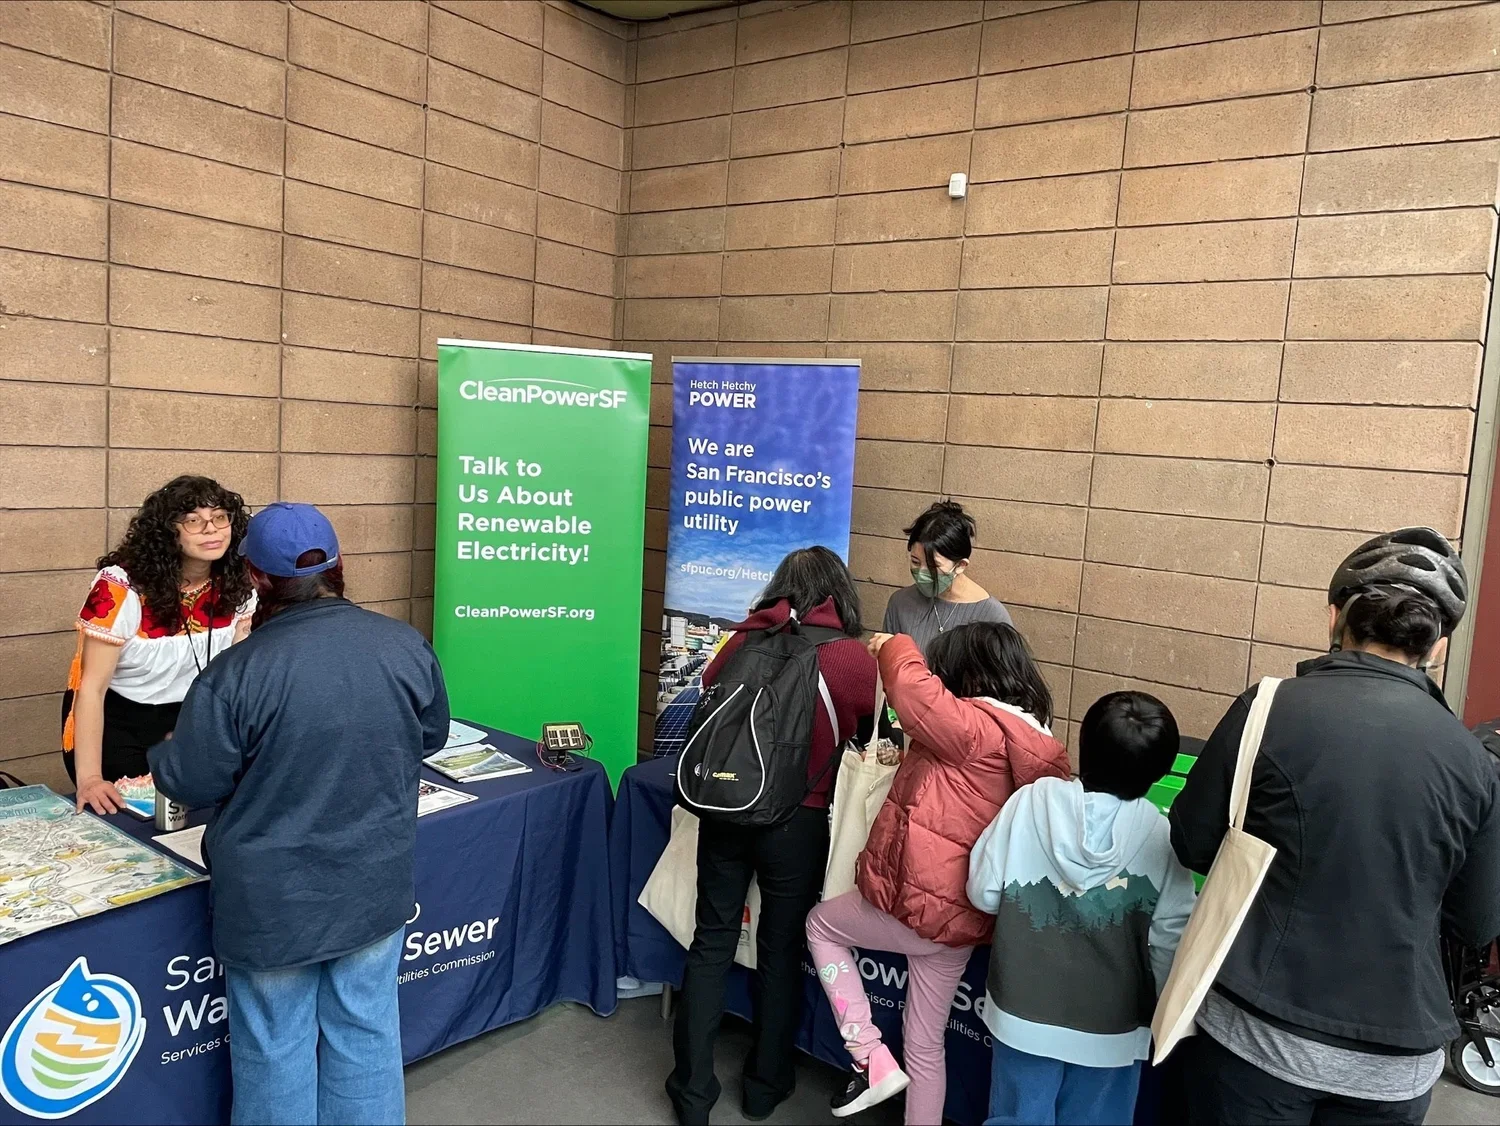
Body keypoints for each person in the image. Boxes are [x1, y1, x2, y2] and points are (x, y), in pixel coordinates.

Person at [1170, 527, 1500, 1125]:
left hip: (1257, 1034)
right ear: (1440, 644)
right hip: (1397, 1059)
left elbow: (1192, 842)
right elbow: (1477, 921)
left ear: (1334, 616)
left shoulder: (1266, 708)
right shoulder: (1476, 762)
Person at [148, 503, 450, 1126]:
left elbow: (193, 778)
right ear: (339, 566)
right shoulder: (403, 645)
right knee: (367, 1033)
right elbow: (430, 736)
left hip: (272, 903)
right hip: (375, 883)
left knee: (274, 1048)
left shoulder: (238, 673)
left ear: (254, 578)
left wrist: (165, 753)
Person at [805, 622, 1071, 1123]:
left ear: (969, 674)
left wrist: (894, 644)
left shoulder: (973, 729)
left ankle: (867, 1054)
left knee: (821, 925)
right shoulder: (1036, 744)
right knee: (925, 1044)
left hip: (919, 908)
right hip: (966, 921)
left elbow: (909, 687)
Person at [666, 547, 877, 1125]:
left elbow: (709, 689)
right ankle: (766, 1086)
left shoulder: (742, 640)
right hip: (798, 820)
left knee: (711, 943)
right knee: (780, 950)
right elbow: (860, 727)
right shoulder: (850, 658)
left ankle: (691, 1093)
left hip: (725, 809)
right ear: (840, 593)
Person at [967, 692, 1196, 1126]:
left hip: (1020, 1014)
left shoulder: (1030, 803)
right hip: (1114, 1028)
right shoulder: (1161, 835)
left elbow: (983, 893)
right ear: (1161, 772)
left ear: (1082, 743)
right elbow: (1170, 941)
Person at [62, 475, 255, 814]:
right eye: (194, 521)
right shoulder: (120, 586)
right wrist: (90, 778)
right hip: (120, 719)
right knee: (134, 817)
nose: (211, 530)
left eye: (220, 517)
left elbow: (238, 673)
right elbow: (91, 689)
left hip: (192, 715)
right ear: (168, 530)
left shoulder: (240, 580)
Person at [882, 501, 1012, 655]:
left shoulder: (992, 616)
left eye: (933, 566)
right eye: (915, 562)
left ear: (960, 565)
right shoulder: (900, 603)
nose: (922, 572)